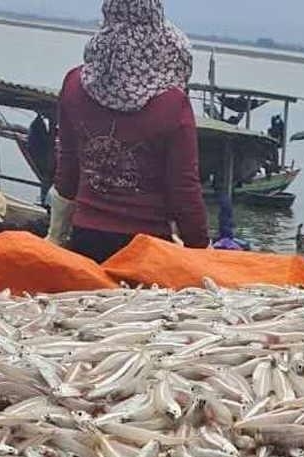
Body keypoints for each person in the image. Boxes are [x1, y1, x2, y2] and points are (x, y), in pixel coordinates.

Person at [46, 0, 210, 263]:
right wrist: (201, 252)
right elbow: (184, 191)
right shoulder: (173, 104)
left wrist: (55, 237)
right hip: (148, 249)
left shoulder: (74, 84)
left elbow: (67, 172)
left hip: (86, 240)